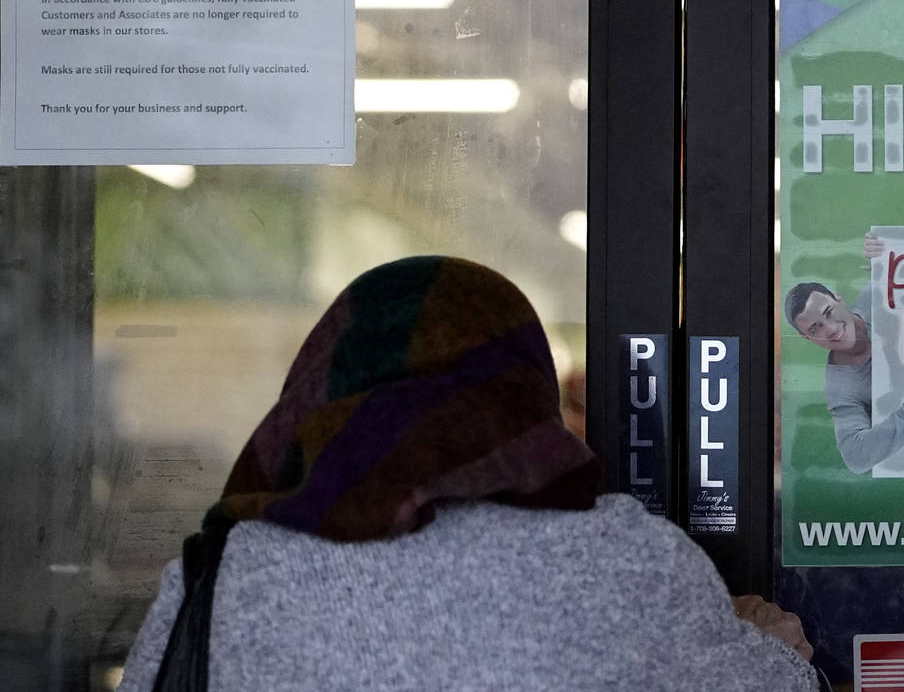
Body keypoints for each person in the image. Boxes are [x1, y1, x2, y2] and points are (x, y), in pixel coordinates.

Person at [119, 256, 818, 691]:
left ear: (318, 392)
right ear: (521, 397)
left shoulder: (223, 573)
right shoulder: (628, 564)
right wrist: (775, 652)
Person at [784, 235, 904, 473]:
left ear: (839, 300)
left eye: (829, 312)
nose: (830, 329)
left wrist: (892, 252)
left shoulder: (875, 295)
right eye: (815, 328)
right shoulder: (841, 386)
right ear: (807, 338)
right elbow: (856, 456)